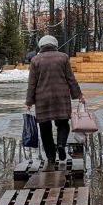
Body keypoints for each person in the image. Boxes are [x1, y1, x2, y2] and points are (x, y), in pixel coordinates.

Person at [25, 35, 83, 164]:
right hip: (61, 97)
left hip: (42, 99)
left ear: (41, 46)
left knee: (45, 128)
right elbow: (70, 78)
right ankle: (61, 145)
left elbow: (32, 83)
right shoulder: (63, 57)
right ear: (55, 45)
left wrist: (29, 101)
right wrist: (79, 95)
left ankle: (51, 157)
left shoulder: (35, 60)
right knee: (63, 124)